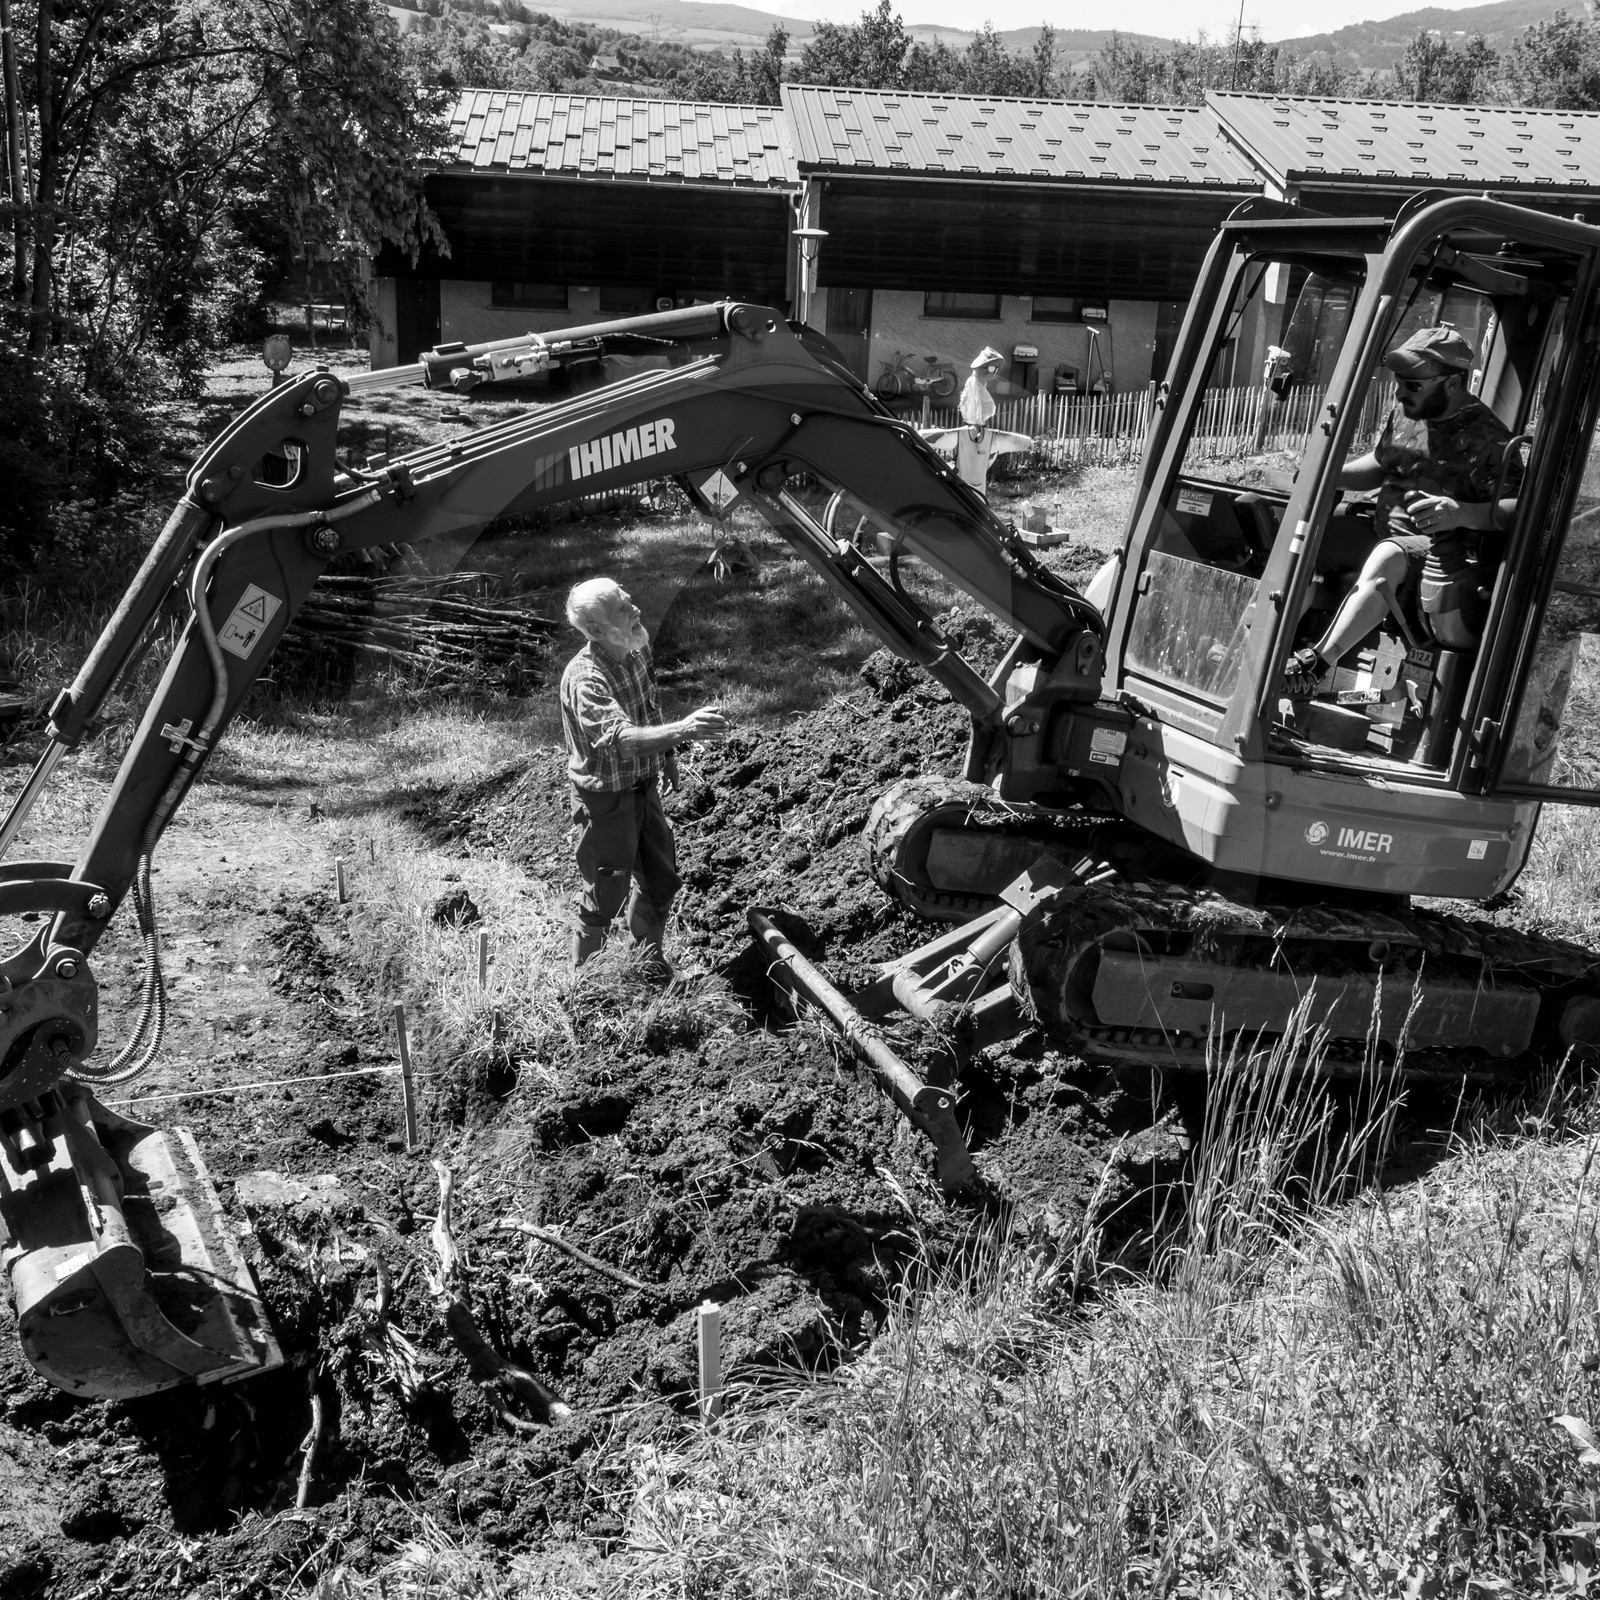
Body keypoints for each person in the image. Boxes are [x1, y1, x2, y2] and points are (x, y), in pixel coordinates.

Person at [1284, 325, 1521, 696]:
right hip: (1379, 527)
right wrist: (1328, 475)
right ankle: (1259, 649)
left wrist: (1461, 513)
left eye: (1413, 385)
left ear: (1453, 383)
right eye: (1399, 381)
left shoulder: (1489, 438)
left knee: (1388, 556)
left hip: (1436, 553)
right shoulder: (1407, 412)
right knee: (1299, 540)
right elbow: (1382, 464)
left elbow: (1517, 508)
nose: (1400, 392)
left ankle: (1315, 665)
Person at [560, 578, 731, 973]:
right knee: (605, 896)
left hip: (643, 789)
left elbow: (648, 706)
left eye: (629, 599)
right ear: (599, 630)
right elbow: (622, 739)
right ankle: (588, 985)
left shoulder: (636, 647)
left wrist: (668, 755)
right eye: (623, 608)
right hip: (605, 802)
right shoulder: (586, 679)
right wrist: (684, 730)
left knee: (659, 882)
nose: (635, 609)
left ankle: (649, 965)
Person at [956, 346, 1005, 498]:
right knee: (971, 471)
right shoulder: (974, 384)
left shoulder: (979, 383)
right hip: (973, 431)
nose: (995, 372)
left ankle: (977, 500)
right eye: (993, 368)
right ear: (987, 368)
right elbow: (974, 410)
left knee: (979, 471)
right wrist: (977, 429)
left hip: (978, 429)